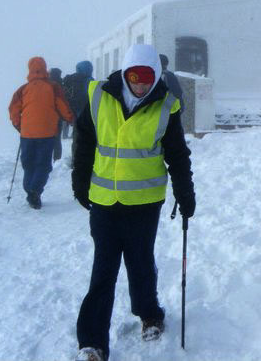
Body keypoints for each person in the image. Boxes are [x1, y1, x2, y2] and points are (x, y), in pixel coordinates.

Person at [71, 44, 195, 361]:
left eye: (146, 77)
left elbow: (177, 155)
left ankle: (150, 315)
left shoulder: (166, 105)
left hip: (143, 204)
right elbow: (84, 140)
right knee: (103, 271)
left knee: (140, 264)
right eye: (133, 77)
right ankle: (92, 342)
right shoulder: (99, 96)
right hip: (104, 202)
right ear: (125, 72)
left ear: (156, 76)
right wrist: (80, 180)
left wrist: (185, 193)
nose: (139, 84)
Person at [8, 57, 74, 209]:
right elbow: (63, 106)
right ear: (45, 69)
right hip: (47, 133)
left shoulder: (23, 89)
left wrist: (19, 125)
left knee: (28, 163)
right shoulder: (53, 87)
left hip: (27, 134)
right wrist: (71, 119)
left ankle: (29, 189)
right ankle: (35, 191)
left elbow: (13, 110)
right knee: (43, 164)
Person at [49, 67, 63, 161]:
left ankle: (47, 156)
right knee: (57, 138)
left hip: (48, 115)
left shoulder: (47, 84)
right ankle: (57, 158)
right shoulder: (62, 84)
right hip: (59, 115)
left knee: (48, 137)